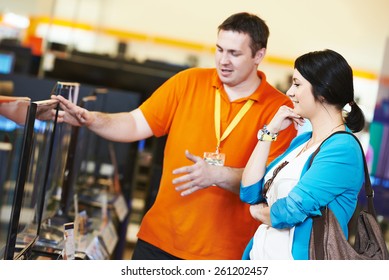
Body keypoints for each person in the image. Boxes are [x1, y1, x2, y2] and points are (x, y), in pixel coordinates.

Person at [53, 12, 297, 260]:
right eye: (220, 49)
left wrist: (217, 175)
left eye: (234, 53)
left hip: (226, 254)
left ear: (259, 55)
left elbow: (269, 183)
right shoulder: (187, 82)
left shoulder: (280, 111)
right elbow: (135, 123)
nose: (223, 60)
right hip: (160, 239)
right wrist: (92, 119)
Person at [240, 49, 366, 260]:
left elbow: (288, 212)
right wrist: (269, 133)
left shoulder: (343, 150)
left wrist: (257, 213)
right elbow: (250, 192)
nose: (289, 92)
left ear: (323, 91)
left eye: (297, 84)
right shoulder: (302, 141)